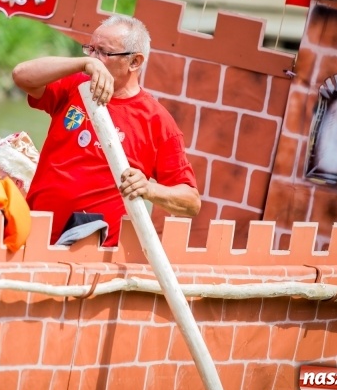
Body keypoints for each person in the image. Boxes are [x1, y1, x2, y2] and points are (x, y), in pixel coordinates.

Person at [12, 14, 200, 246]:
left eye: (103, 53)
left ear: (134, 62)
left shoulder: (157, 120)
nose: (94, 59)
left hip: (95, 251)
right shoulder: (76, 85)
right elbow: (21, 75)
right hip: (34, 233)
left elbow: (191, 202)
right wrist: (83, 64)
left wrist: (149, 189)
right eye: (90, 50)